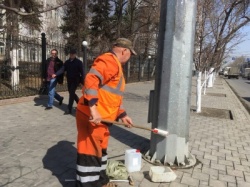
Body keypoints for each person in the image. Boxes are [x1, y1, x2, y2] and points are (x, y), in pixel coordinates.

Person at [75, 38, 136, 187]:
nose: (130, 58)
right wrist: (93, 109)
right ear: (124, 51)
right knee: (89, 154)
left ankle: (101, 182)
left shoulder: (115, 65)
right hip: (93, 118)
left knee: (100, 153)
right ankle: (88, 184)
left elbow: (111, 97)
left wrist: (122, 115)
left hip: (102, 120)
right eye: (130, 54)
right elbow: (91, 79)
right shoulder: (110, 61)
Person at [53, 49, 84, 114]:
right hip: (69, 80)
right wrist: (56, 74)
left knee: (71, 92)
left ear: (75, 54)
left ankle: (69, 109)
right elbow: (62, 69)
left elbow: (82, 73)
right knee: (71, 92)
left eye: (73, 54)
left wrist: (82, 82)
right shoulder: (67, 62)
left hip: (76, 80)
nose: (72, 55)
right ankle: (79, 102)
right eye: (71, 54)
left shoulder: (79, 62)